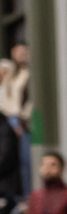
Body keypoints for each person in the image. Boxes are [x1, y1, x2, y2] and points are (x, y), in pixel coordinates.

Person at [0, 44, 33, 195]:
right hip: (5, 118)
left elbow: (26, 101)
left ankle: (26, 193)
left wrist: (23, 117)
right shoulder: (8, 78)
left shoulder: (25, 75)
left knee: (23, 158)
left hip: (16, 118)